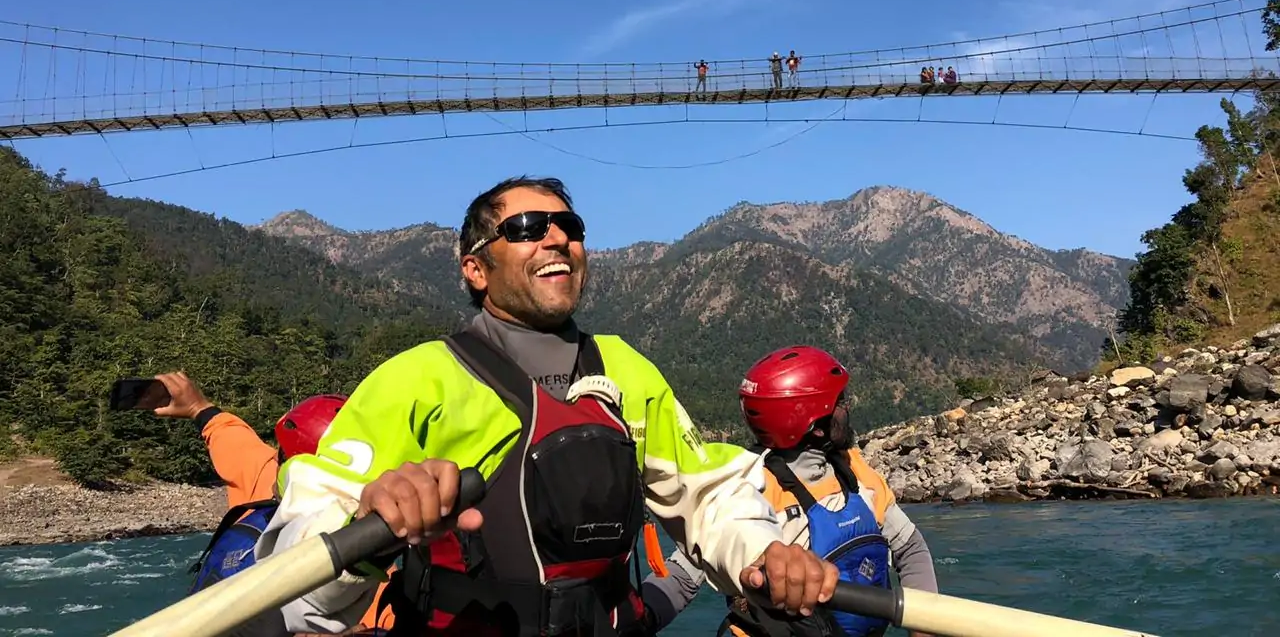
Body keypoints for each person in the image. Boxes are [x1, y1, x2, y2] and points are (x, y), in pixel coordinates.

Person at [256, 176, 838, 636]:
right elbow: (300, 586)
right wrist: (370, 529)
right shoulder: (415, 379)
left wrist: (764, 552)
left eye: (569, 225)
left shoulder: (626, 368)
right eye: (529, 227)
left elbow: (707, 495)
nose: (557, 238)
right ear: (476, 268)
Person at [152, 374, 392, 635]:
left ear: (286, 462)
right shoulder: (370, 566)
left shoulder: (268, 479)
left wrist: (197, 407)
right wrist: (198, 408)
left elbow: (232, 440)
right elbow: (231, 437)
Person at [723, 347, 938, 637]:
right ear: (816, 426)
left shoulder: (853, 469)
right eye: (840, 402)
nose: (848, 407)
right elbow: (686, 573)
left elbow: (910, 547)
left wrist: (924, 627)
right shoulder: (747, 486)